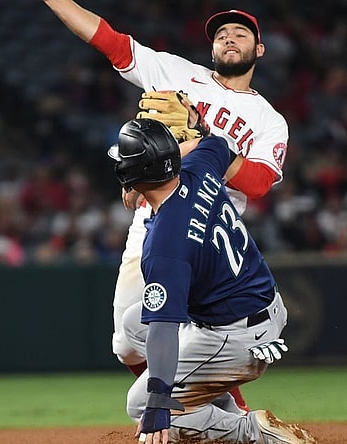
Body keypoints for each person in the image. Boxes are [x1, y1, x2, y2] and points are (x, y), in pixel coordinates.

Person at [40, 0, 289, 411]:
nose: (229, 38)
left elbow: (260, 183)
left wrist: (198, 137)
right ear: (211, 49)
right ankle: (216, 414)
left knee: (181, 331)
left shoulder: (268, 119)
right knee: (127, 343)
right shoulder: (177, 74)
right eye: (221, 34)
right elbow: (110, 41)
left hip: (208, 235)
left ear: (259, 50)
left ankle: (225, 421)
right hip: (152, 221)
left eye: (241, 34)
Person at [108, 118, 315, 444]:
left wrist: (160, 400)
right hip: (262, 307)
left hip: (234, 339)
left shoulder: (164, 246)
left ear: (130, 176)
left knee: (139, 404)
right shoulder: (200, 168)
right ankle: (225, 409)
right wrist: (175, 149)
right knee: (135, 324)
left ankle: (253, 434)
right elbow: (216, 142)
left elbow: (163, 329)